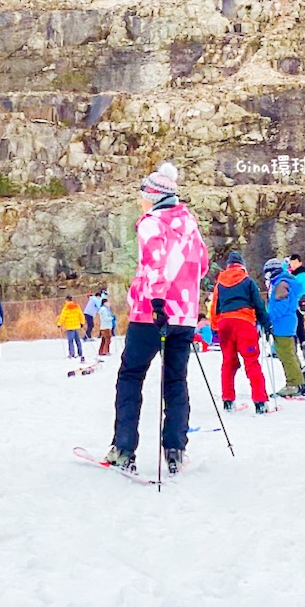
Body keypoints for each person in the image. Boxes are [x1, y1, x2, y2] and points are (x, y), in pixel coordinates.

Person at [106, 163, 208, 476]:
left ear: (153, 195)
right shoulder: (189, 221)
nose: (140, 200)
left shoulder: (151, 222)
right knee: (176, 379)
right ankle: (175, 449)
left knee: (131, 374)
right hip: (186, 314)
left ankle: (124, 448)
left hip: (151, 312)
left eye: (143, 194)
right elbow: (202, 263)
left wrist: (159, 299)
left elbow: (154, 262)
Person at [208, 251, 269, 414]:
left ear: (228, 266)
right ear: (241, 265)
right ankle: (260, 401)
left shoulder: (220, 282)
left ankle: (228, 400)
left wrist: (215, 327)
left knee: (228, 362)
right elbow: (258, 304)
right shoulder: (248, 281)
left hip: (225, 324)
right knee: (251, 362)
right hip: (244, 323)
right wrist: (266, 324)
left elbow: (214, 306)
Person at [263, 259, 305, 397]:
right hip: (287, 322)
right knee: (289, 352)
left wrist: (268, 317)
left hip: (282, 323)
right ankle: (300, 380)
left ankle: (293, 383)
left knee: (286, 354)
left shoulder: (281, 284)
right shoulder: (285, 282)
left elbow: (281, 305)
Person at [288, 254, 305, 361]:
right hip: (303, 303)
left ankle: (295, 348)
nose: (292, 265)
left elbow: (296, 288)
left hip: (296, 303)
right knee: (300, 326)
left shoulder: (298, 275)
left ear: (299, 263)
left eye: (294, 262)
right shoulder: (303, 275)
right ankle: (304, 343)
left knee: (294, 326)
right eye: (291, 263)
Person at [57, 297, 85, 361]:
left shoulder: (66, 308)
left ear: (67, 301)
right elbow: (81, 315)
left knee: (70, 341)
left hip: (70, 327)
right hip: (77, 326)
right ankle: (80, 353)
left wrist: (59, 324)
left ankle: (72, 354)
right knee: (78, 340)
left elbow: (62, 317)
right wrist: (82, 323)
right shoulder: (77, 307)